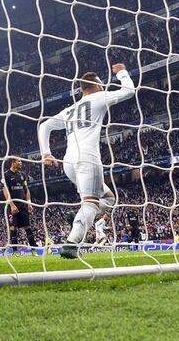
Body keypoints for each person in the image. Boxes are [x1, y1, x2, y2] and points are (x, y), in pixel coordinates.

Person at [39, 63, 136, 259]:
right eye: (101, 84)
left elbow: (45, 125)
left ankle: (78, 217)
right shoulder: (99, 97)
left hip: (68, 163)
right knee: (91, 203)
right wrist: (122, 73)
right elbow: (129, 91)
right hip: (88, 159)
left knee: (108, 198)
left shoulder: (69, 110)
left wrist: (46, 153)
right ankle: (71, 244)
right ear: (97, 85)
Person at [1, 157, 37, 253]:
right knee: (13, 227)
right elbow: (5, 190)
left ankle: (34, 249)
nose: (21, 163)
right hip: (12, 205)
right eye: (19, 161)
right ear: (13, 163)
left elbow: (26, 189)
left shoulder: (22, 175)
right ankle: (15, 251)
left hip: (22, 204)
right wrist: (12, 205)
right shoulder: (6, 175)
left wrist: (29, 202)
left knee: (27, 226)